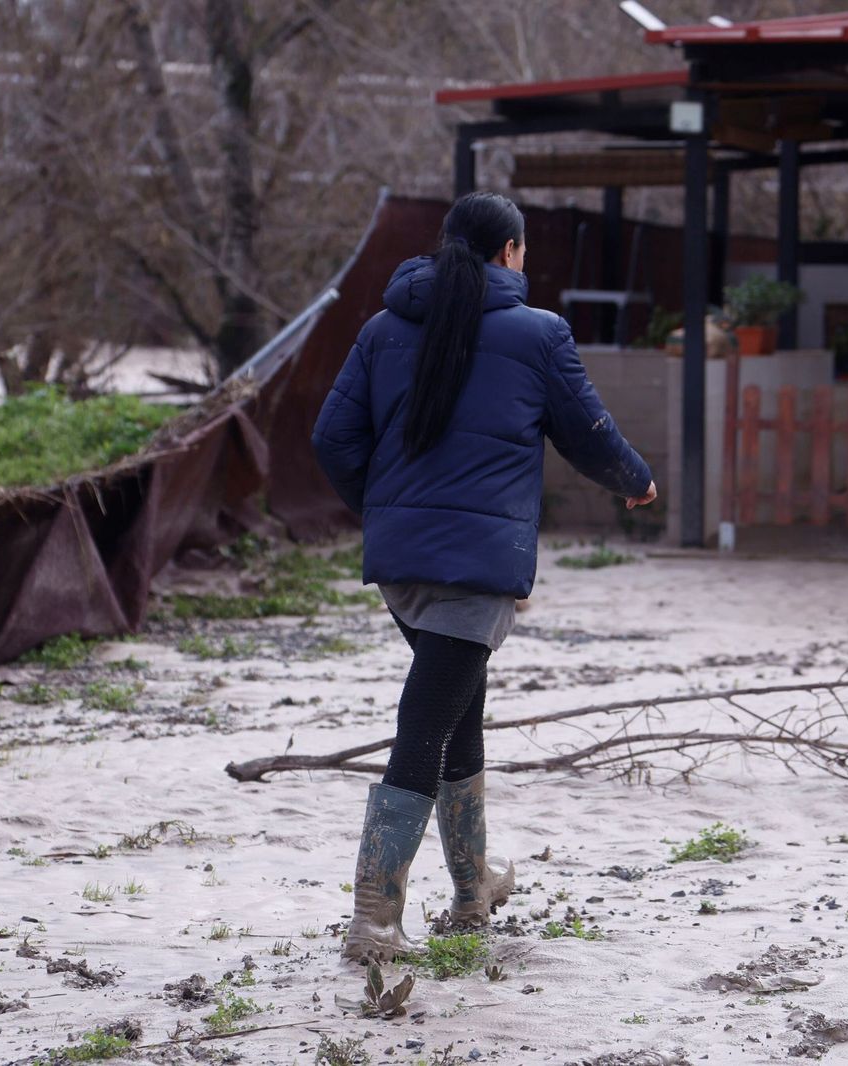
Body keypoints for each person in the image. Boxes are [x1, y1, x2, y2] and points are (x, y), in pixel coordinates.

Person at [311, 191, 656, 964]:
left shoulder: (382, 326)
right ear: (509, 253)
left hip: (402, 567)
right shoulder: (539, 335)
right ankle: (373, 915)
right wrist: (635, 481)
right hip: (476, 568)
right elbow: (586, 432)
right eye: (524, 250)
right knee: (427, 726)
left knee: (458, 715)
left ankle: (473, 893)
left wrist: (388, 508)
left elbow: (332, 438)